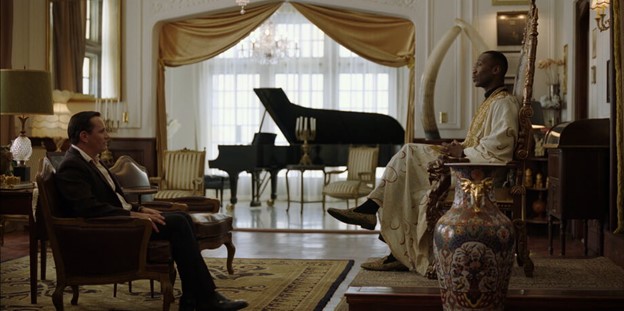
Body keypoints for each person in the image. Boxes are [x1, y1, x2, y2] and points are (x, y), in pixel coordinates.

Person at [328, 50, 520, 275]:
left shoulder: (504, 102)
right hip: (464, 164)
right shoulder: (491, 102)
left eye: (479, 64)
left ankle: (373, 215)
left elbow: (501, 146)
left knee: (408, 156)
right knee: (405, 179)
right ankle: (394, 249)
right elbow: (480, 142)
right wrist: (459, 148)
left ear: (496, 69)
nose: (474, 70)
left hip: (473, 174)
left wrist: (463, 151)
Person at [55, 111, 248, 311]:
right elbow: (88, 208)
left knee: (182, 217)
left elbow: (116, 199)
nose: (107, 136)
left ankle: (193, 297)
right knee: (179, 223)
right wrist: (133, 215)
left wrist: (140, 208)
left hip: (123, 221)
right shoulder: (72, 166)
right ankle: (205, 298)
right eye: (102, 131)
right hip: (112, 230)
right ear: (84, 136)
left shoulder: (93, 160)